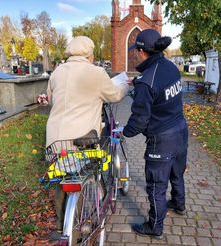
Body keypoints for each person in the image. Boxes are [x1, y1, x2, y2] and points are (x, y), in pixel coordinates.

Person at [46, 36, 129, 235]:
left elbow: (50, 99)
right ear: (90, 55)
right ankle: (78, 222)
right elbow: (115, 95)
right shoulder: (96, 72)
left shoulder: (57, 72)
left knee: (60, 175)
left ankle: (62, 224)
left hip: (55, 138)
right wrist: (125, 84)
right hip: (82, 137)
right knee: (85, 171)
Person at [123, 29, 188, 239]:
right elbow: (160, 90)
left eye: (136, 50)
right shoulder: (171, 67)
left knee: (156, 184)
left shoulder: (146, 81)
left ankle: (155, 226)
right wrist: (139, 86)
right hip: (180, 130)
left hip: (161, 138)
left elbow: (139, 121)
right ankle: (179, 204)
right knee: (177, 172)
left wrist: (124, 131)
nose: (135, 54)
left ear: (142, 51)